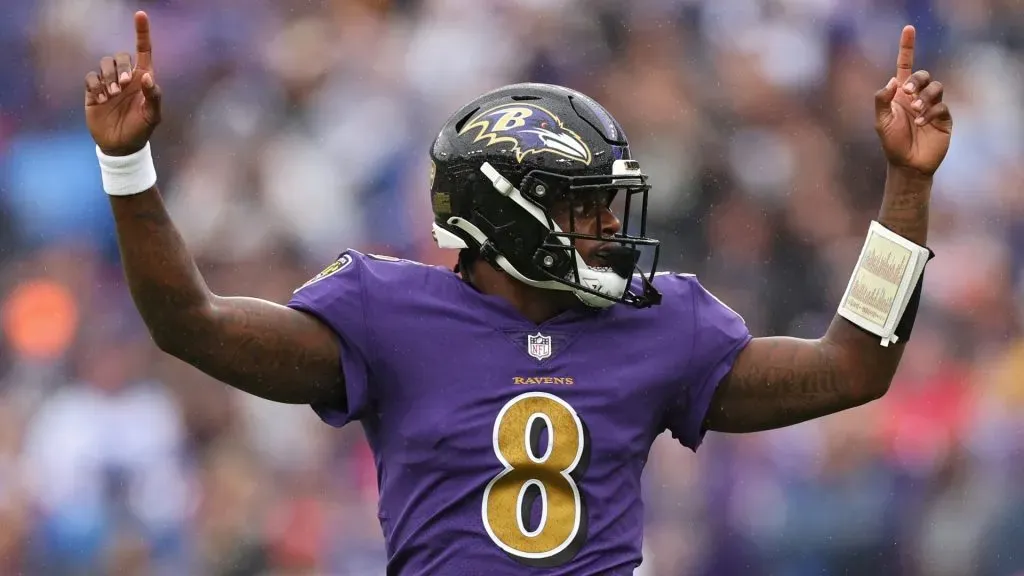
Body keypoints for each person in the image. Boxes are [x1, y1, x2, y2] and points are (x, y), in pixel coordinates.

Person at [83, 12, 953, 576]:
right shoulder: (387, 314)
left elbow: (852, 368)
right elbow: (187, 321)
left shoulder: (659, 322)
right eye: (585, 209)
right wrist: (127, 166)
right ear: (506, 217)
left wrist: (907, 186)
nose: (610, 228)